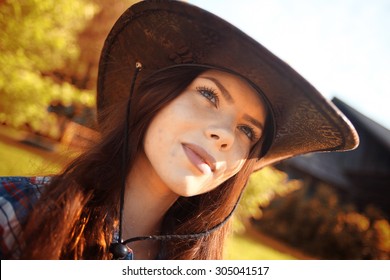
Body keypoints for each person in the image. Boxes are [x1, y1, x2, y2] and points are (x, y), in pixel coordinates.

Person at [0, 0, 359, 260]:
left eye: (248, 132)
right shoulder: (16, 210)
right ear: (156, 97)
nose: (226, 136)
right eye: (209, 94)